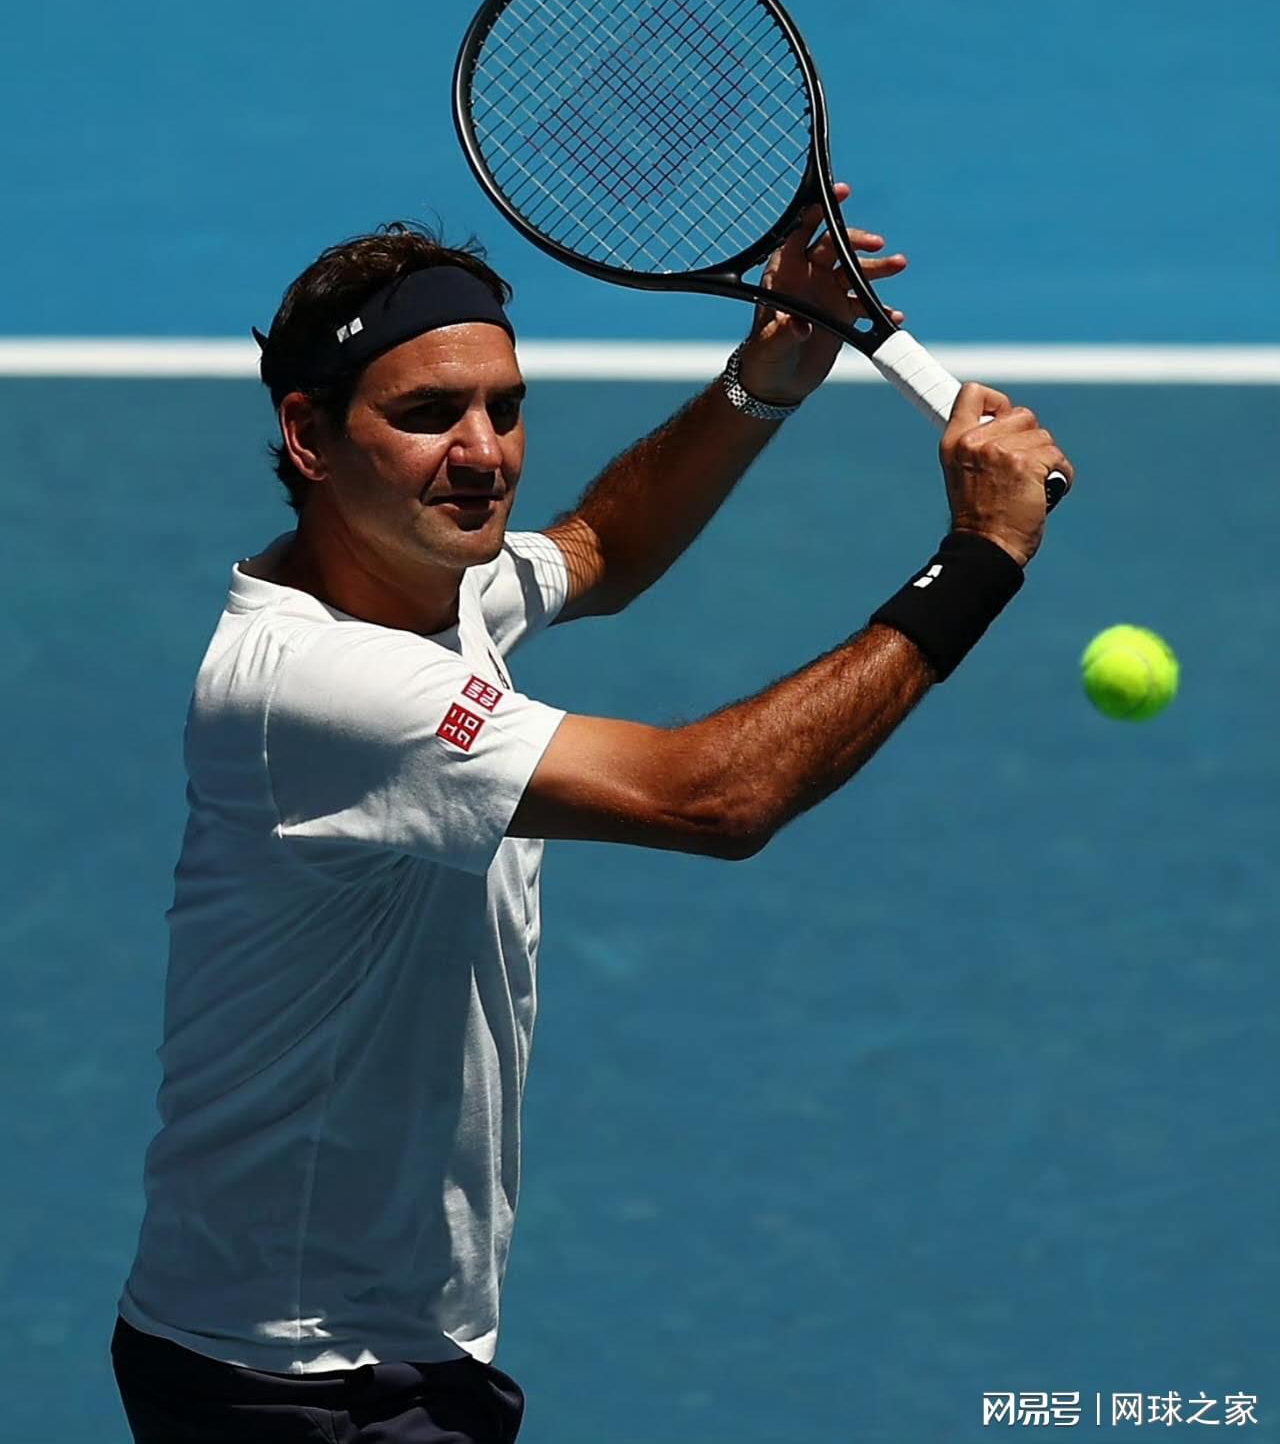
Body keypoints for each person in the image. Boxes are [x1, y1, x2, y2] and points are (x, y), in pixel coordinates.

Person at [112, 208, 1072, 1443]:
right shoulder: (319, 683)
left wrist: (764, 378)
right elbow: (713, 795)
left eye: (504, 407)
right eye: (428, 414)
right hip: (303, 1380)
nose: (482, 452)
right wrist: (978, 554)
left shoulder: (426, 586)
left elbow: (599, 544)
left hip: (353, 1345)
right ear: (308, 435)